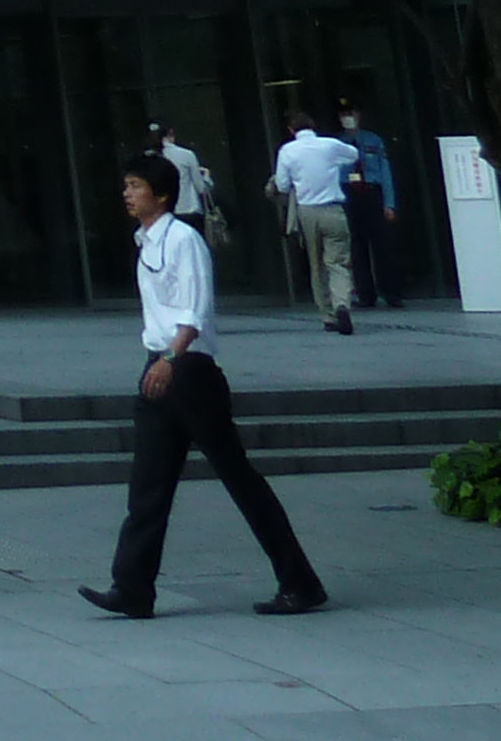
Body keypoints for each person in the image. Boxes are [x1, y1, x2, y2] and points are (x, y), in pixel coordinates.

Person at [82, 155, 328, 621]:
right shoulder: (146, 240)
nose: (127, 194)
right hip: (160, 365)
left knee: (239, 478)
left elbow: (194, 311)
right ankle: (132, 588)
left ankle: (300, 582)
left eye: (135, 186)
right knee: (148, 485)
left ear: (162, 194)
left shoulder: (183, 240)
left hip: (187, 369)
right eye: (127, 185)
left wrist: (171, 359)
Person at [269, 116, 361, 333]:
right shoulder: (329, 145)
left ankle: (328, 315)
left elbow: (282, 185)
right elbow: (353, 154)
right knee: (338, 263)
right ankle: (342, 304)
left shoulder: (287, 151)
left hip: (307, 211)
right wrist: (334, 162)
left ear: (291, 130)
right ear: (313, 127)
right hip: (333, 208)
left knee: (316, 263)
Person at [333, 98, 403, 309]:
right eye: (344, 114)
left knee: (383, 246)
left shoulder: (373, 140)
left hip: (372, 194)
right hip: (349, 195)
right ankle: (366, 294)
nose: (348, 118)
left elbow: (385, 172)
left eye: (351, 113)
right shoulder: (336, 144)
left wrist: (389, 203)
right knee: (356, 246)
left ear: (359, 115)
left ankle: (390, 291)